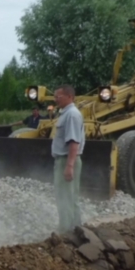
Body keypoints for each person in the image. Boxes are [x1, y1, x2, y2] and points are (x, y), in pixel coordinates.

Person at [51, 85, 85, 231]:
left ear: (70, 96)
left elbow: (73, 142)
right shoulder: (67, 114)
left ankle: (65, 232)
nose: (56, 99)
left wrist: (69, 166)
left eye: (59, 96)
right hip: (66, 159)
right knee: (71, 196)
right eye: (55, 96)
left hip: (66, 160)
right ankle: (76, 228)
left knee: (64, 197)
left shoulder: (71, 115)